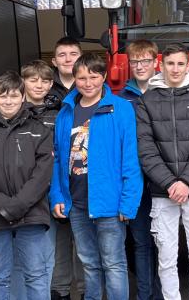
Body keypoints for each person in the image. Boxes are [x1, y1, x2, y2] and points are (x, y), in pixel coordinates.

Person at [51, 53, 143, 300]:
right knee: (89, 263)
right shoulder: (66, 111)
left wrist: (129, 201)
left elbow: (130, 157)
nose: (87, 83)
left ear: (103, 77)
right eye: (81, 77)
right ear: (74, 79)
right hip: (77, 203)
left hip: (110, 204)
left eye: (93, 77)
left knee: (113, 264)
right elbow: (59, 158)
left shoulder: (121, 109)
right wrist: (57, 195)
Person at [0, 71, 55, 300]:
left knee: (35, 274)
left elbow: (43, 175)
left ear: (23, 97)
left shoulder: (39, 131)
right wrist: (2, 206)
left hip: (32, 215)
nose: (8, 101)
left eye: (14, 96)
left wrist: (18, 205)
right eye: (3, 96)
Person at [135, 43, 189, 300]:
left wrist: (187, 182)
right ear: (161, 65)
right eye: (170, 63)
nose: (175, 69)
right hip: (162, 192)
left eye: (181, 64)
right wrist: (170, 183)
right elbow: (145, 149)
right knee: (166, 259)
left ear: (188, 66)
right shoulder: (147, 100)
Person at [117, 40, 164, 300]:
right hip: (135, 183)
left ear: (156, 62)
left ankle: (164, 293)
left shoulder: (167, 92)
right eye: (135, 61)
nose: (140, 66)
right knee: (141, 242)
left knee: (165, 243)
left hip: (164, 180)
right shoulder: (121, 100)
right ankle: (145, 295)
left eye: (146, 61)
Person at [18, 60, 63, 299]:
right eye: (33, 79)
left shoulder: (58, 114)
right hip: (18, 193)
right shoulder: (12, 111)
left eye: (45, 81)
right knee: (18, 258)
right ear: (23, 80)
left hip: (48, 194)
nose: (39, 85)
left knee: (46, 255)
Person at [47, 37, 85, 300]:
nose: (68, 58)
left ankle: (85, 291)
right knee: (58, 246)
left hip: (83, 178)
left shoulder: (93, 89)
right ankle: (60, 292)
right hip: (53, 179)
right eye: (62, 54)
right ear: (54, 61)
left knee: (85, 246)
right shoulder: (43, 91)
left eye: (73, 53)